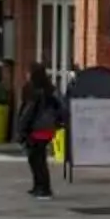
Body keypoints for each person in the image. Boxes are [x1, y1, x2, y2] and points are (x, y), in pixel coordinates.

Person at [17, 62, 66, 199]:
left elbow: (28, 112)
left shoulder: (34, 91)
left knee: (36, 159)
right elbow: (61, 107)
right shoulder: (50, 89)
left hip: (35, 128)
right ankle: (40, 186)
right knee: (39, 158)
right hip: (48, 128)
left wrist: (21, 129)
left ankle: (42, 187)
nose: (26, 75)